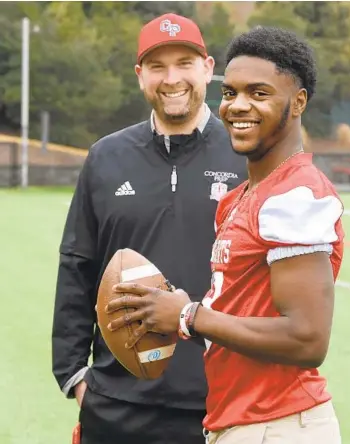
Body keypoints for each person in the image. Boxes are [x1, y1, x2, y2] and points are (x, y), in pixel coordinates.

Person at [106, 26, 345, 444]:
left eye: (259, 93)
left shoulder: (295, 194)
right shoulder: (239, 198)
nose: (238, 106)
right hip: (242, 421)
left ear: (299, 101)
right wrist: (171, 315)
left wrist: (187, 315)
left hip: (279, 424)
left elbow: (307, 338)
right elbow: (238, 320)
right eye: (231, 93)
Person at [51, 13, 247, 444]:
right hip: (118, 403)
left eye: (184, 63)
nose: (171, 78)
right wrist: (74, 376)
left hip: (219, 402)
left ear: (208, 69)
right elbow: (77, 266)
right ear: (140, 76)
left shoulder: (245, 154)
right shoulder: (106, 157)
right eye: (158, 66)